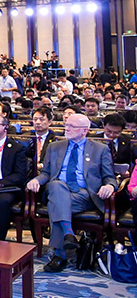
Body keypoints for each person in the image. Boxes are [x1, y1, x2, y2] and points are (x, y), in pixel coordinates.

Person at [26, 114, 116, 273]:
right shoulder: (55, 147)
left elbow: (109, 176)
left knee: (57, 205)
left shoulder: (100, 149)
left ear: (85, 130)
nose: (67, 129)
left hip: (84, 194)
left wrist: (109, 186)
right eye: (66, 125)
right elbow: (46, 173)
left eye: (72, 126)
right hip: (56, 189)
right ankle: (68, 235)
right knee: (56, 185)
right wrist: (37, 180)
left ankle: (60, 256)